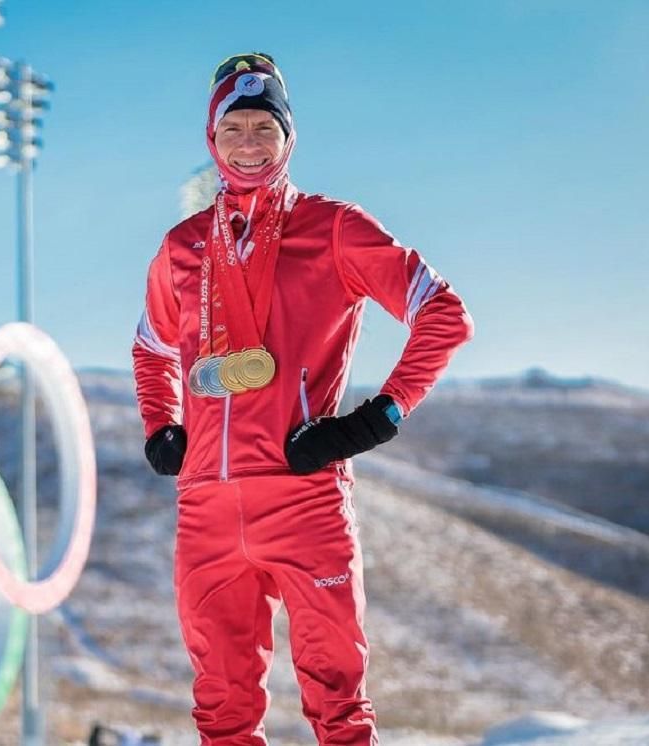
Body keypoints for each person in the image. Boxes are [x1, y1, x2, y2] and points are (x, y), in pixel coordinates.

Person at [131, 53, 474, 745]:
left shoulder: (334, 228)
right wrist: (159, 426)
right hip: (205, 509)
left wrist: (377, 418)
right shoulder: (182, 247)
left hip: (302, 494)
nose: (249, 143)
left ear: (290, 138)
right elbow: (151, 349)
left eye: (265, 127)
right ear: (211, 138)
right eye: (235, 128)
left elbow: (444, 313)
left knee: (339, 709)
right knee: (221, 711)